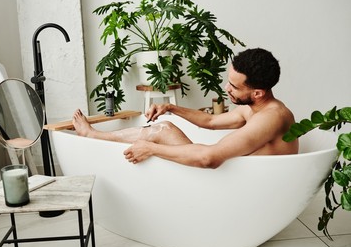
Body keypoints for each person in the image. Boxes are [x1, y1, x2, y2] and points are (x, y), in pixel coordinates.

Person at [73, 48, 298, 168]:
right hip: (238, 176)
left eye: (234, 86)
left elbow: (209, 159)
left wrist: (151, 149)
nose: (226, 88)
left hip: (245, 186)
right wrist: (170, 106)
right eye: (228, 80)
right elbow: (209, 122)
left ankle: (92, 135)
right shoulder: (254, 107)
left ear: (257, 92)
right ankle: (94, 136)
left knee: (162, 133)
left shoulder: (272, 118)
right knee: (165, 127)